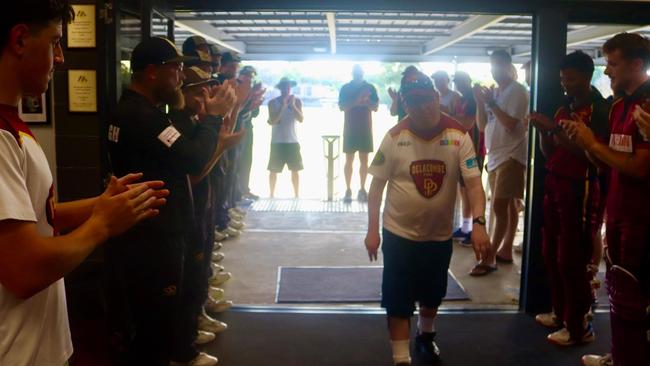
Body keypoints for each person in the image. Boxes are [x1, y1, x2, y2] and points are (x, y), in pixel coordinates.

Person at [0, 2, 168, 365]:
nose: (60, 59)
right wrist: (102, 224)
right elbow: (23, 268)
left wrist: (101, 205)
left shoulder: (13, 127)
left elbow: (35, 220)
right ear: (19, 40)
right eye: (54, 43)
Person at [106, 36, 224, 366]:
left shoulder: (130, 110)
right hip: (155, 237)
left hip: (146, 231)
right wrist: (213, 117)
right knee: (155, 329)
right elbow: (195, 158)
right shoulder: (144, 118)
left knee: (151, 326)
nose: (181, 77)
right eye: (176, 69)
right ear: (153, 73)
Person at [365, 73, 491, 366]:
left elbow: (474, 184)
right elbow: (375, 187)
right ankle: (401, 358)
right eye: (413, 102)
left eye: (426, 100)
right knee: (397, 300)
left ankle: (425, 335)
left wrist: (479, 225)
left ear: (437, 98)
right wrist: (373, 230)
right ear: (404, 105)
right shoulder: (395, 136)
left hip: (438, 235)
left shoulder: (458, 135)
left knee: (433, 294)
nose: (421, 108)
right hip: (398, 233)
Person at [562, 32, 650, 366]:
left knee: (633, 294)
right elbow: (609, 162)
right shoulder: (618, 104)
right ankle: (621, 353)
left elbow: (640, 168)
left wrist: (593, 145)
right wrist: (585, 143)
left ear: (637, 64)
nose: (608, 71)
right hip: (617, 210)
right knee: (616, 287)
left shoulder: (647, 104)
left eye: (613, 64)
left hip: (641, 217)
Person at [528, 51, 610, 346]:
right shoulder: (564, 108)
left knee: (574, 259)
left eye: (571, 79)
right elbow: (551, 153)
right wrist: (543, 133)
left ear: (587, 78)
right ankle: (561, 314)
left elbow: (594, 157)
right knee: (551, 253)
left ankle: (580, 327)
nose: (565, 84)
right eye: (563, 79)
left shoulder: (600, 110)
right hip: (555, 183)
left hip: (581, 187)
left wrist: (553, 130)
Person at [472, 50, 530, 276]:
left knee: (498, 206)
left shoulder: (517, 91)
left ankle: (490, 257)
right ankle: (505, 249)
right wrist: (480, 102)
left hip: (511, 156)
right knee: (508, 206)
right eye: (492, 66)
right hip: (495, 156)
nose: (494, 71)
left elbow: (510, 125)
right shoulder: (495, 93)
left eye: (498, 66)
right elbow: (481, 126)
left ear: (508, 66)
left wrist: (491, 103)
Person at [452, 71, 484, 246]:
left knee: (472, 189)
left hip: (474, 149)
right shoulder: (464, 98)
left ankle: (474, 228)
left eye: (461, 81)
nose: (459, 84)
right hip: (463, 148)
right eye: (457, 82)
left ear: (469, 81)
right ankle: (465, 228)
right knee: (463, 190)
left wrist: (449, 117)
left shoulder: (472, 98)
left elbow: (469, 122)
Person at [339, 64, 379, 203]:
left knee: (364, 160)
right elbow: (342, 107)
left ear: (363, 73)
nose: (357, 74)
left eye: (359, 72)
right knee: (349, 159)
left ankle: (362, 189)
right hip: (350, 128)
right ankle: (348, 189)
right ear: (352, 73)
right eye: (355, 72)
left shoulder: (370, 88)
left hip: (365, 129)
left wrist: (367, 101)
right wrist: (356, 101)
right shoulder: (346, 88)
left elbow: (375, 108)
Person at [267, 77, 304, 198]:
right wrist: (283, 107)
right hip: (277, 141)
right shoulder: (273, 103)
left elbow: (301, 119)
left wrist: (292, 106)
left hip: (292, 141)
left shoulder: (297, 101)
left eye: (288, 87)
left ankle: (297, 195)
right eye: (284, 87)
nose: (286, 89)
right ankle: (271, 194)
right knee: (273, 170)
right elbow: (273, 121)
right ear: (280, 88)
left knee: (295, 170)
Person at [237, 65, 264, 202]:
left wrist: (254, 100)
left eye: (251, 76)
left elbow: (255, 113)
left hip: (247, 128)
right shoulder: (236, 88)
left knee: (247, 160)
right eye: (247, 75)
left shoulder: (252, 90)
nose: (249, 78)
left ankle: (244, 189)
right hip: (235, 128)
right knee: (236, 162)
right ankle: (237, 194)